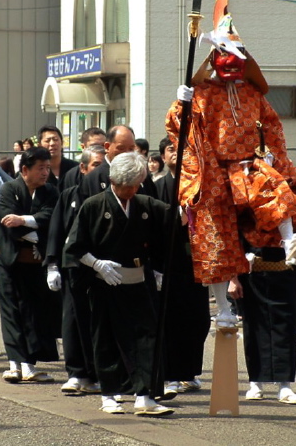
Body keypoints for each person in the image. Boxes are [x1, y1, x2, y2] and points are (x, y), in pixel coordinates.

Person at [166, 0, 296, 327]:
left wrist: (269, 151)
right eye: (225, 54)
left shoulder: (252, 93)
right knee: (216, 239)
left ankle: (289, 242)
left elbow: (272, 125)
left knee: (273, 184)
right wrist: (180, 105)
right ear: (214, 58)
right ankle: (224, 309)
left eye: (237, 55)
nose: (232, 61)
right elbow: (180, 128)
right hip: (214, 170)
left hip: (247, 164)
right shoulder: (202, 93)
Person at [63, 152, 172, 416]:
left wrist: (157, 270)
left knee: (146, 338)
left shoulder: (145, 204)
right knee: (106, 339)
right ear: (114, 180)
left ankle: (144, 395)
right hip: (106, 283)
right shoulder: (93, 205)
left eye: (137, 184)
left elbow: (172, 223)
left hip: (139, 281)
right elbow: (74, 247)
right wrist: (96, 263)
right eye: (128, 185)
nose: (133, 190)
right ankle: (110, 394)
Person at [0, 147, 60, 383]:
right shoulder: (9, 189)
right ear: (25, 170)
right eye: (40, 168)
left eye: (47, 168)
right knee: (11, 310)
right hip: (10, 260)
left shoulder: (50, 191)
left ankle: (29, 365)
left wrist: (24, 220)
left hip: (35, 262)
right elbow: (5, 219)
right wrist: (33, 228)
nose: (45, 173)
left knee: (33, 312)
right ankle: (14, 364)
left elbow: (51, 217)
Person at [47, 145, 105, 395]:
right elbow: (56, 232)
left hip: (102, 270)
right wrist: (52, 265)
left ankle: (99, 372)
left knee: (98, 322)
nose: (99, 172)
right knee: (72, 319)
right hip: (73, 267)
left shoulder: (108, 197)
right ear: (83, 168)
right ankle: (76, 372)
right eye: (95, 166)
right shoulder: (69, 194)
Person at [154, 137, 210, 398]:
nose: (175, 154)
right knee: (171, 319)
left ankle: (189, 372)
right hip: (170, 261)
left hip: (196, 260)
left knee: (198, 318)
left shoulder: (201, 185)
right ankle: (171, 375)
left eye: (181, 150)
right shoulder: (157, 186)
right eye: (170, 150)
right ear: (163, 157)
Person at [229, 242, 296, 405]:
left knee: (285, 327)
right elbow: (234, 238)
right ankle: (255, 382)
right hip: (251, 269)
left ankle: (284, 384)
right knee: (254, 326)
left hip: (285, 268)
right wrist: (233, 277)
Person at [81, 125, 158, 199]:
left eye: (131, 149)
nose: (126, 153)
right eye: (121, 148)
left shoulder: (142, 176)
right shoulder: (93, 179)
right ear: (107, 147)